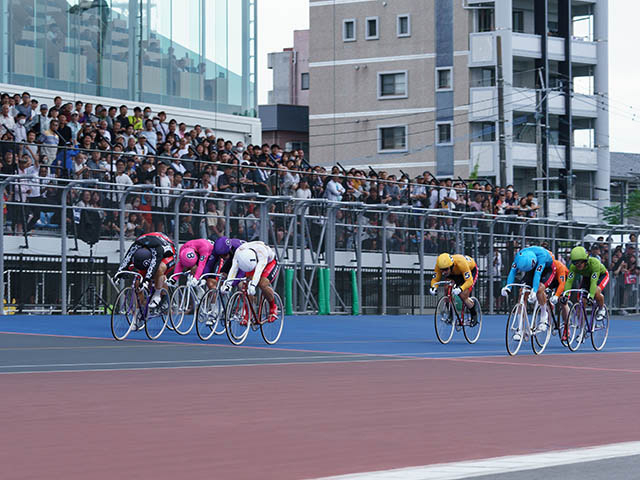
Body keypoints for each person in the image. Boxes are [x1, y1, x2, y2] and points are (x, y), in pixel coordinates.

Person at [117, 232, 176, 322]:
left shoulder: (157, 249)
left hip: (167, 254)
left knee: (159, 270)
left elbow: (153, 265)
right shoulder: (136, 245)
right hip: (148, 251)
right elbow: (127, 258)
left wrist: (147, 280)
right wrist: (119, 272)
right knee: (138, 282)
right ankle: (141, 309)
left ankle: (159, 295)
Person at [502, 246, 555, 337]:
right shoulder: (519, 257)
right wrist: (508, 287)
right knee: (522, 291)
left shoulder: (542, 257)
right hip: (531, 268)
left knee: (539, 289)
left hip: (547, 268)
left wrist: (534, 291)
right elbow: (512, 272)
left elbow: (537, 274)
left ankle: (543, 316)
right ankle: (520, 329)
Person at [221, 240, 279, 322]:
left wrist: (253, 285)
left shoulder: (262, 252)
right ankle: (248, 313)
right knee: (246, 285)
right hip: (250, 264)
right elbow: (234, 269)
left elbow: (258, 271)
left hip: (269, 263)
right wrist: (227, 284)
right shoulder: (239, 253)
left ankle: (273, 307)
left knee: (262, 284)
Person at [561, 246, 609, 323]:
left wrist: (591, 296)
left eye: (580, 262)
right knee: (581, 300)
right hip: (587, 277)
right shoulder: (573, 267)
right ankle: (582, 328)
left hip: (601, 275)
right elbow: (569, 281)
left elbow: (593, 282)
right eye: (575, 262)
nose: (578, 265)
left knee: (596, 292)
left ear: (585, 260)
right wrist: (566, 295)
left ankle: (601, 308)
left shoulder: (594, 263)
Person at [429, 253, 479, 322]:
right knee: (446, 289)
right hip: (453, 274)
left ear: (451, 265)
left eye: (446, 269)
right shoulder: (439, 265)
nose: (444, 272)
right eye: (442, 270)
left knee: (463, 295)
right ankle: (451, 315)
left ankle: (474, 315)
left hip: (469, 271)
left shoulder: (461, 263)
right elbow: (435, 279)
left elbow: (469, 281)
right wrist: (433, 287)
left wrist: (460, 289)